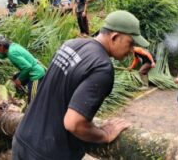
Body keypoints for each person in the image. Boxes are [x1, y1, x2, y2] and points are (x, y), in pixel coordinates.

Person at [12, 10, 150, 160]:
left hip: (22, 139)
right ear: (115, 37)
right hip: (48, 154)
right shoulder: (102, 68)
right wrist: (104, 134)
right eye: (130, 44)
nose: (131, 51)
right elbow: (74, 123)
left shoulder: (71, 44)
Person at [0, 35, 45, 104]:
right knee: (14, 78)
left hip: (36, 74)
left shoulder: (12, 53)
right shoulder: (12, 47)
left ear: (1, 45)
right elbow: (1, 56)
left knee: (33, 102)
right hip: (31, 70)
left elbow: (27, 67)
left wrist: (19, 79)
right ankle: (21, 94)